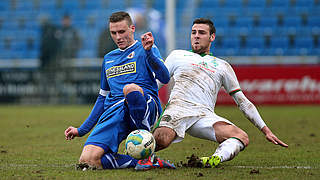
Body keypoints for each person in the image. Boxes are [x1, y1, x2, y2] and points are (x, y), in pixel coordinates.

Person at [153, 18, 288, 168]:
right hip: (178, 109)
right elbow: (155, 85)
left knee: (241, 137)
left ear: (212, 37)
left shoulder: (223, 66)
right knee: (162, 140)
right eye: (193, 32)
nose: (196, 36)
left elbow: (242, 102)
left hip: (204, 116)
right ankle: (137, 156)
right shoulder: (176, 55)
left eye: (202, 33)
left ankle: (212, 160)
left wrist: (266, 130)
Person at [64, 11, 175, 171]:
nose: (118, 37)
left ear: (132, 29)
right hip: (115, 110)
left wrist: (149, 53)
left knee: (129, 89)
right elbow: (102, 99)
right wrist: (81, 130)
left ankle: (146, 150)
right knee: (88, 160)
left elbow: (164, 78)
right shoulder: (108, 59)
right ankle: (142, 161)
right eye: (113, 33)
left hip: (145, 105)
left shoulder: (146, 49)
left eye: (122, 31)